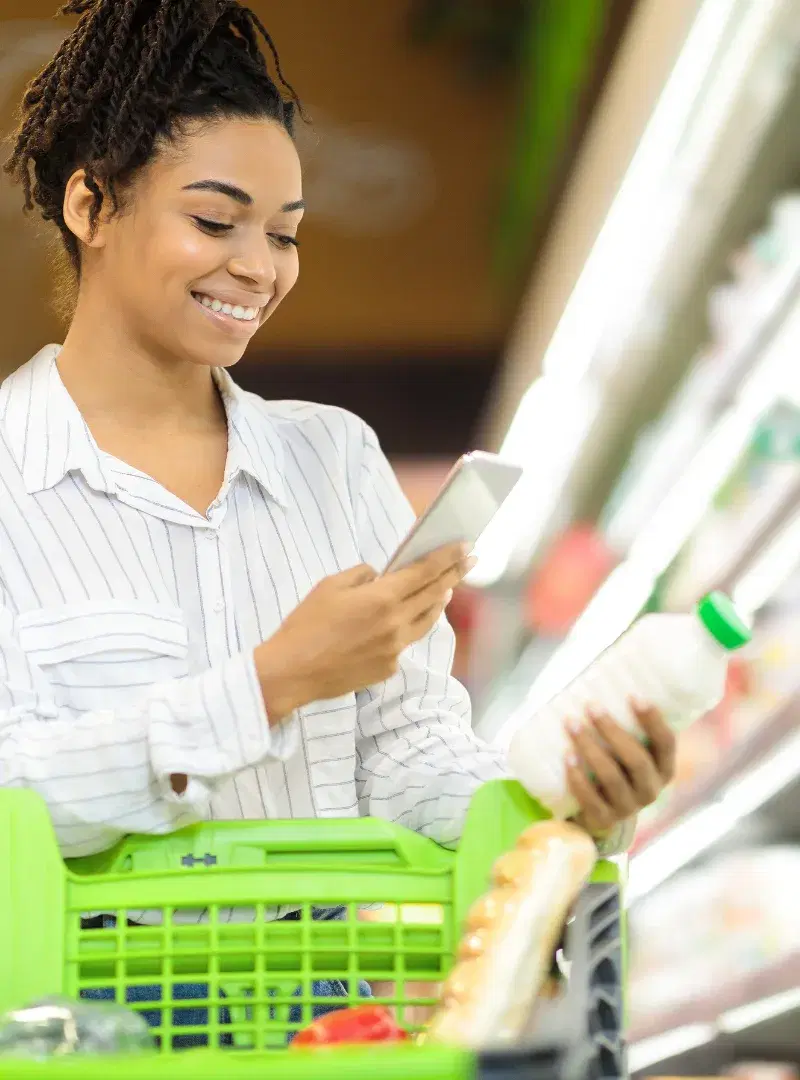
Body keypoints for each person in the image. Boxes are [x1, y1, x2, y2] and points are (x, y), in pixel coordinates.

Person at [0, 0, 675, 1041]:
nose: (259, 267)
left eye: (284, 234)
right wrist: (273, 683)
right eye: (215, 223)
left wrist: (557, 808)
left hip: (327, 1004)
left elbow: (406, 748)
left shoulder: (333, 458)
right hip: (85, 1017)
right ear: (91, 204)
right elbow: (16, 782)